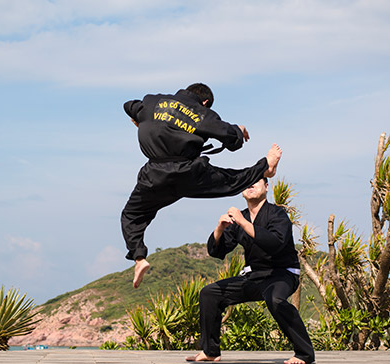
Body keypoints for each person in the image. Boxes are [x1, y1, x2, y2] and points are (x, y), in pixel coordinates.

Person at [121, 83, 282, 288]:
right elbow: (232, 141)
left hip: (154, 176)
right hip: (188, 173)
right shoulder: (203, 114)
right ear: (205, 102)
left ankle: (139, 258)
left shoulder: (153, 101)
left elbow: (128, 105)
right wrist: (239, 131)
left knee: (131, 216)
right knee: (232, 181)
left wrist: (139, 121)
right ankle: (265, 167)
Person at [185, 177, 315, 364]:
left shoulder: (277, 214)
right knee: (210, 293)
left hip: (282, 273)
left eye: (256, 181)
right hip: (255, 276)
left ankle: (304, 353)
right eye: (247, 182)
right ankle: (210, 351)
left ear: (267, 186)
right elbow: (217, 250)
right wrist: (219, 230)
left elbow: (275, 243)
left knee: (276, 300)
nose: (250, 184)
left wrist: (243, 223)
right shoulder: (240, 217)